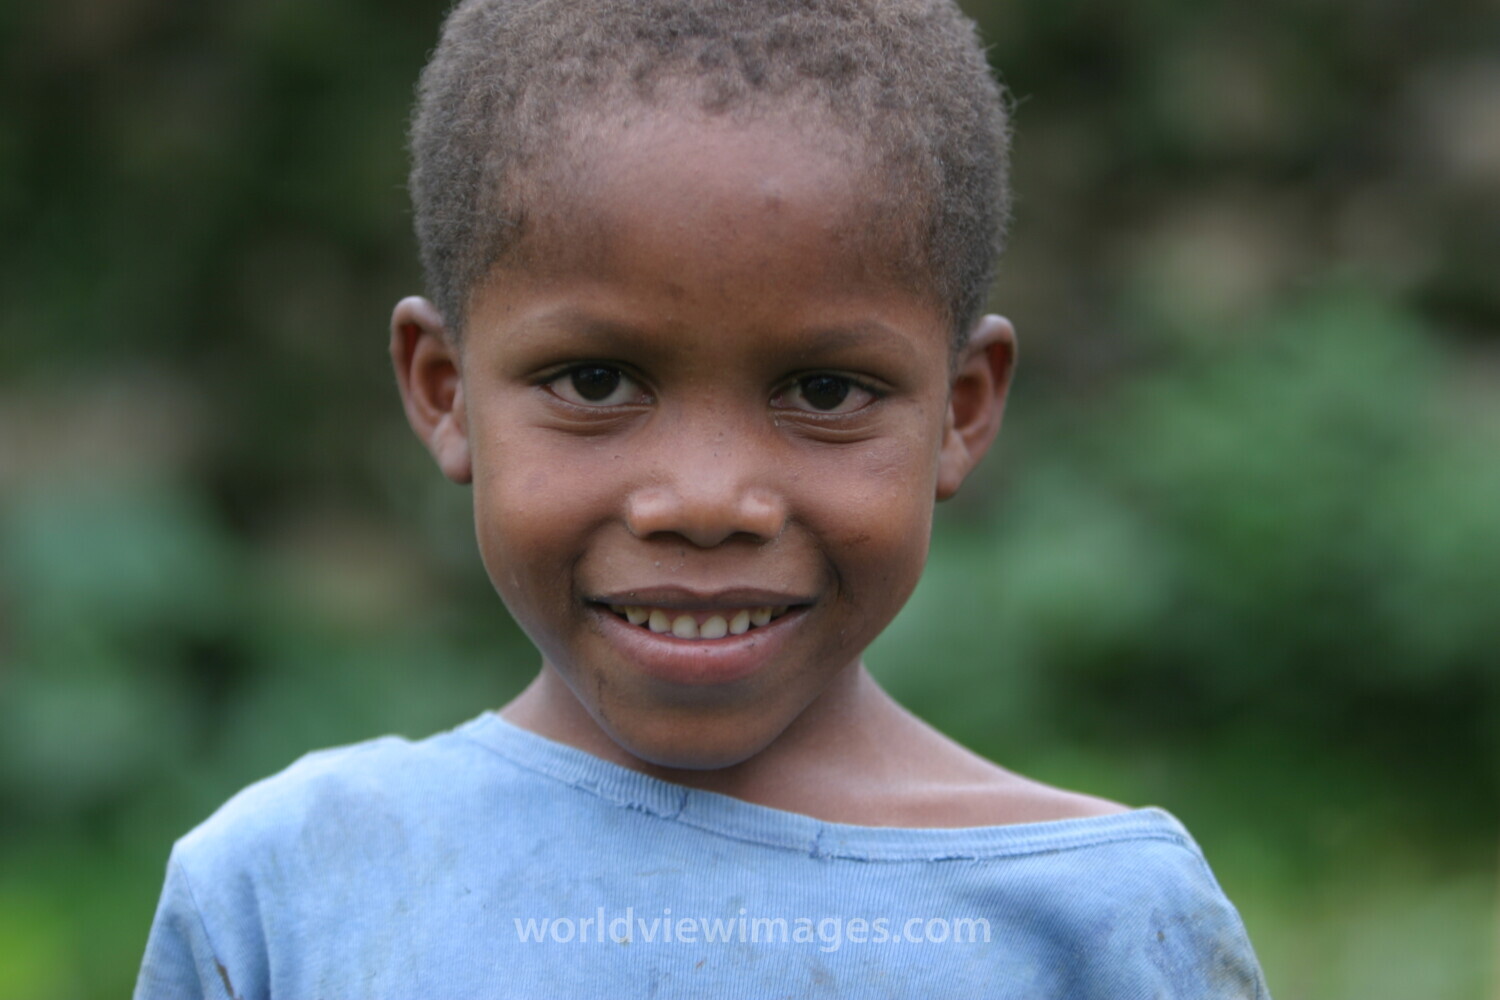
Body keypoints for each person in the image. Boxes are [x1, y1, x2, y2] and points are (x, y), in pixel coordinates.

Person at [135, 0, 1271, 996]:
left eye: (825, 390)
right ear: (445, 391)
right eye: (596, 382)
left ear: (962, 410)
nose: (708, 500)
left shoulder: (1098, 923)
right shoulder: (292, 890)